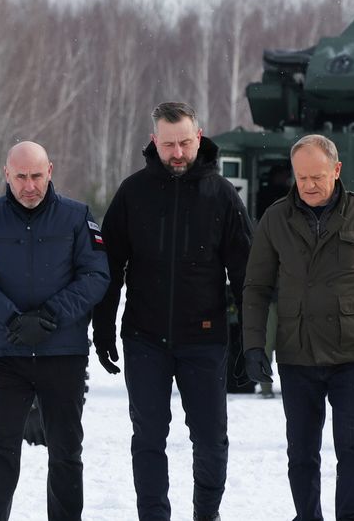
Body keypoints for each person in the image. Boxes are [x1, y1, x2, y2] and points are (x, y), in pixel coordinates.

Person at [92, 102, 252, 521]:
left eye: (184, 142)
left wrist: (250, 340)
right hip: (144, 338)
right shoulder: (133, 192)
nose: (177, 153)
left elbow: (245, 275)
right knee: (147, 437)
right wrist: (103, 327)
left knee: (211, 438)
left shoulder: (222, 196)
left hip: (204, 337)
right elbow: (108, 268)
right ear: (154, 142)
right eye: (168, 145)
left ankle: (206, 514)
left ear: (198, 138)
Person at [242, 133, 354, 521]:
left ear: (336, 170)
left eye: (317, 176)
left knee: (351, 446)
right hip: (296, 352)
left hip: (351, 353)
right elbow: (256, 288)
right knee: (301, 450)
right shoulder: (275, 219)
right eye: (301, 178)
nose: (309, 186)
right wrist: (253, 346)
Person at [0, 141, 111, 521]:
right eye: (22, 177)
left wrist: (50, 316)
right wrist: (10, 320)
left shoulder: (76, 218)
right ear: (6, 175)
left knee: (65, 452)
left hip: (62, 354)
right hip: (4, 355)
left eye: (37, 176)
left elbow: (96, 275)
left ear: (51, 171)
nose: (30, 186)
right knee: (1, 449)